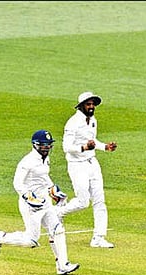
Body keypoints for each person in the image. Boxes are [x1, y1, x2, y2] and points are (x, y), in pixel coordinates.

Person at [0, 130, 80, 275]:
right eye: (44, 145)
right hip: (31, 206)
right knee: (31, 241)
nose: (46, 148)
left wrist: (54, 190)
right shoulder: (27, 162)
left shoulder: (45, 159)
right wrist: (29, 197)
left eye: (48, 145)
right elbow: (17, 183)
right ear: (35, 145)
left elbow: (44, 177)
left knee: (57, 229)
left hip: (45, 202)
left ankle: (63, 265)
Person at [57, 91, 117, 248]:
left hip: (92, 163)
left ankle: (98, 238)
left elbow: (92, 140)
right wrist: (84, 147)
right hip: (77, 165)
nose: (91, 107)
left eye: (93, 104)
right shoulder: (72, 123)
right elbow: (66, 147)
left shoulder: (93, 120)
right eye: (88, 104)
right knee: (83, 202)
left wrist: (105, 147)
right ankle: (57, 213)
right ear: (81, 106)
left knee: (100, 201)